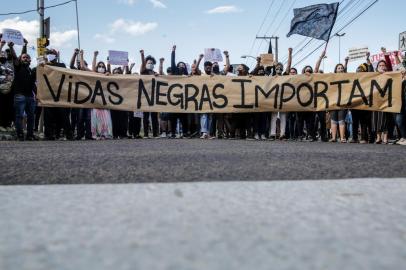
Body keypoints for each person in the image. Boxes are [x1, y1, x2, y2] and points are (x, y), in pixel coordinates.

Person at [8, 42, 36, 141]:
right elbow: (16, 57)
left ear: (30, 60)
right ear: (20, 59)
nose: (25, 59)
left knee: (31, 117)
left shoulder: (32, 70)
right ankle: (20, 134)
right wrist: (11, 47)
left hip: (30, 97)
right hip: (20, 96)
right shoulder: (18, 67)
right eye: (24, 57)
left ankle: (30, 135)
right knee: (19, 116)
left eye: (27, 58)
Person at [43, 49, 73, 140]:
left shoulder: (61, 65)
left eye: (52, 54)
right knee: (48, 116)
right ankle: (49, 135)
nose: (50, 55)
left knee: (64, 116)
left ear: (56, 56)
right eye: (48, 54)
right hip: (48, 94)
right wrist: (44, 62)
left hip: (60, 95)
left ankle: (68, 134)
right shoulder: (43, 66)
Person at [90, 50, 113, 139]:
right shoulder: (94, 75)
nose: (101, 67)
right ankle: (97, 134)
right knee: (97, 118)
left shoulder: (107, 75)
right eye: (99, 66)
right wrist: (95, 56)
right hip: (96, 100)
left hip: (105, 101)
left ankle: (106, 134)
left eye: (102, 66)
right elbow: (92, 68)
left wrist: (108, 73)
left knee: (106, 118)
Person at [140, 49, 159, 138]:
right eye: (148, 63)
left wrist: (159, 77)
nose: (150, 64)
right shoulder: (144, 72)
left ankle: (155, 133)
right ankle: (146, 134)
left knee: (154, 116)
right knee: (146, 116)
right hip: (145, 97)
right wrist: (142, 55)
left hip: (154, 97)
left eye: (151, 63)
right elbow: (142, 67)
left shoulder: (156, 73)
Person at [330, 57, 349, 143]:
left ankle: (342, 138)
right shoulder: (331, 77)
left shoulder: (346, 77)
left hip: (343, 102)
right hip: (333, 102)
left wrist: (346, 62)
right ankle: (334, 138)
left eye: (341, 68)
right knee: (333, 120)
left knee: (341, 120)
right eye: (338, 68)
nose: (340, 69)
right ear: (336, 70)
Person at [0, 38, 16, 133]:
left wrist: (11, 46)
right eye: (1, 54)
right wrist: (1, 45)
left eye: (4, 54)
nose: (3, 55)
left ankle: (8, 124)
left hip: (10, 88)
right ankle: (1, 124)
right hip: (0, 88)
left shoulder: (10, 64)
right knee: (1, 107)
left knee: (9, 107)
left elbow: (15, 58)